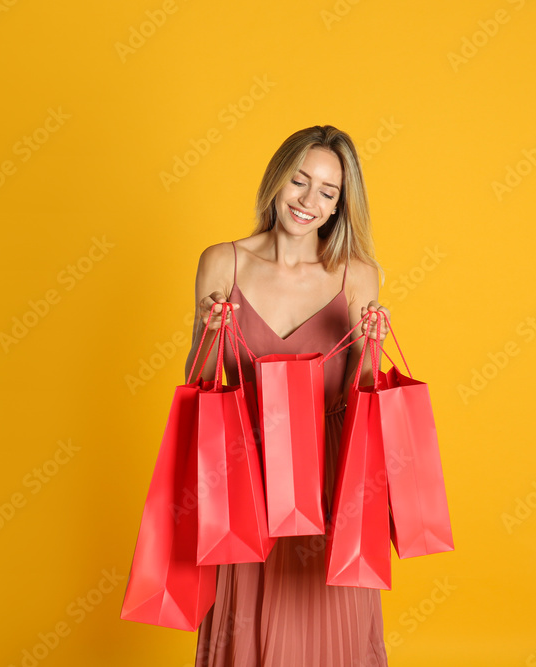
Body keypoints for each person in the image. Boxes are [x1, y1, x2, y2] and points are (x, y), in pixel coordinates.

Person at [184, 125, 392, 667]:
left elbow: (361, 395)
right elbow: (201, 383)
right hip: (244, 475)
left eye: (327, 192)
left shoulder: (358, 274)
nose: (308, 201)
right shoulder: (222, 261)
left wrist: (372, 348)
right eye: (300, 181)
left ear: (340, 206)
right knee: (243, 633)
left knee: (328, 632)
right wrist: (211, 330)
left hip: (326, 478)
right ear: (276, 180)